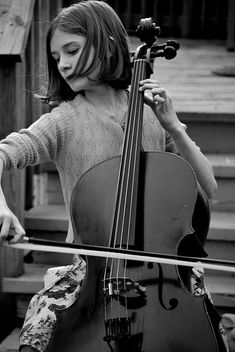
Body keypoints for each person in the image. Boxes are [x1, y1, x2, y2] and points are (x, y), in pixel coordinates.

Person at [0, 1, 228, 351]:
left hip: (162, 272)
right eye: (56, 56)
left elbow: (208, 187)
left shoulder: (150, 113)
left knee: (211, 333)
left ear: (106, 46)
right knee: (36, 336)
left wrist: (173, 126)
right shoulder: (63, 122)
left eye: (72, 50)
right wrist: (2, 208)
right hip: (92, 274)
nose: (62, 63)